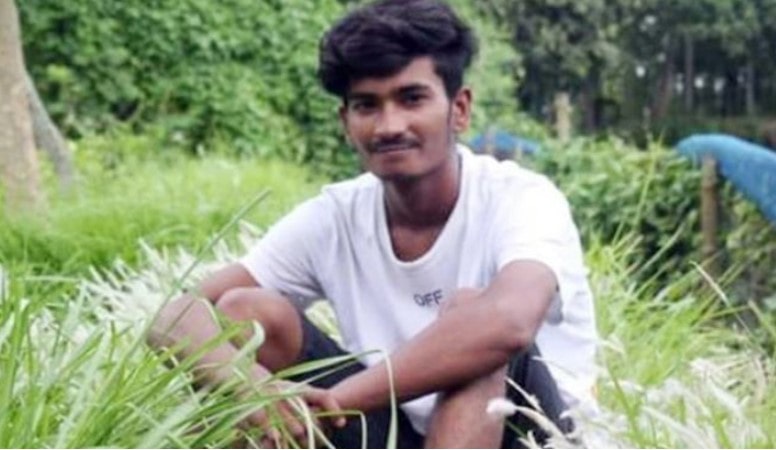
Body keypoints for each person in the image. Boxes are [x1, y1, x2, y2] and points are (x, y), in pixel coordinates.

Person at [149, 0, 598, 447]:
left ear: (459, 109)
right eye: (367, 105)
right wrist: (254, 389)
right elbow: (173, 317)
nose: (389, 126)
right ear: (346, 122)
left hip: (531, 433)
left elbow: (510, 321)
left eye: (411, 98)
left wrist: (338, 401)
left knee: (477, 318)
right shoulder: (334, 218)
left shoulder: (521, 198)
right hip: (399, 433)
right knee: (245, 314)